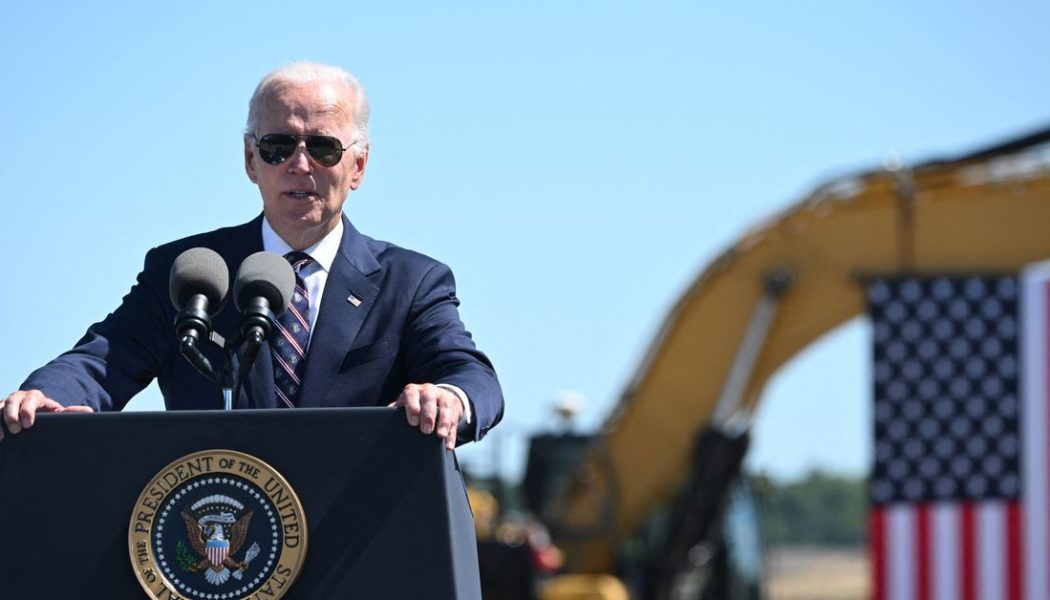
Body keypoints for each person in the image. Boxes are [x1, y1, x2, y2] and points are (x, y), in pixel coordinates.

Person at [0, 62, 502, 449]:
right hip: (218, 548)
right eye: (277, 145)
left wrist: (449, 398)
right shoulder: (190, 273)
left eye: (324, 147)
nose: (299, 164)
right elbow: (101, 362)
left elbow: (470, 375)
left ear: (358, 167)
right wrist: (48, 397)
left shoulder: (411, 282)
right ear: (249, 160)